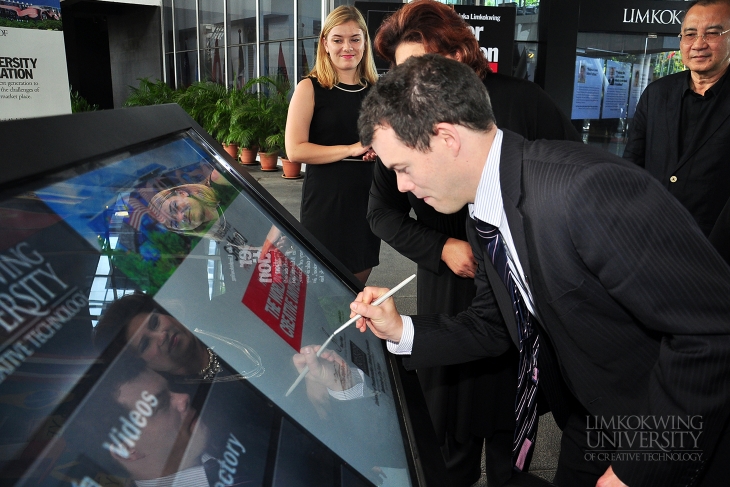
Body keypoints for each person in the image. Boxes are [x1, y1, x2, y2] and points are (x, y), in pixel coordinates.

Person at [353, 54, 730, 487]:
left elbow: (712, 332)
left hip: (673, 428)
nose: (401, 187)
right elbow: (493, 325)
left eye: (402, 168)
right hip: (591, 420)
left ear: (445, 138)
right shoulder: (483, 211)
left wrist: (637, 467)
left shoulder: (585, 192)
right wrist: (400, 329)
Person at [367, 1, 581, 485]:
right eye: (402, 74)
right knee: (448, 441)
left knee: (513, 432)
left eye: (423, 69)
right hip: (449, 287)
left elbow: (573, 183)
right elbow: (382, 211)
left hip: (521, 290)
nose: (411, 88)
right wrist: (441, 248)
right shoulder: (403, 122)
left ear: (461, 54)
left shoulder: (526, 103)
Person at [285, 5, 380, 285]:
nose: (346, 47)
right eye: (338, 40)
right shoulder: (310, 88)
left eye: (354, 39)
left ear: (365, 42)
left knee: (355, 286)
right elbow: (295, 150)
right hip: (326, 202)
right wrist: (352, 149)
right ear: (325, 43)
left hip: (367, 199)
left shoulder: (377, 91)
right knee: (321, 286)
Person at [623, 0, 730, 240]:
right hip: (650, 237)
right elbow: (631, 167)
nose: (699, 44)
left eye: (712, 33)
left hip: (715, 249)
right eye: (690, 34)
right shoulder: (657, 93)